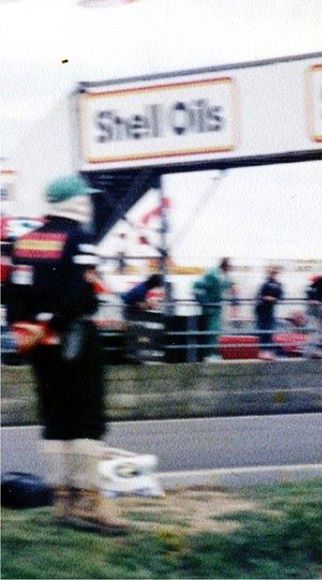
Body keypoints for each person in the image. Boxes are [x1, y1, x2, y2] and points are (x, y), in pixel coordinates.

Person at [6, 175, 128, 534]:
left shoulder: (23, 242)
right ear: (74, 202)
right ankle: (89, 502)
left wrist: (29, 330)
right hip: (76, 341)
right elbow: (81, 296)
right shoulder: (80, 238)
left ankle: (62, 502)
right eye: (84, 199)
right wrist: (55, 322)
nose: (88, 204)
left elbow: (11, 295)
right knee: (87, 420)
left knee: (55, 418)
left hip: (39, 347)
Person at [192, 257, 235, 361]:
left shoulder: (222, 275)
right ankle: (208, 354)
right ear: (226, 266)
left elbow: (228, 284)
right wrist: (204, 303)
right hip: (210, 309)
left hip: (216, 308)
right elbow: (196, 287)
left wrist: (232, 288)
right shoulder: (213, 274)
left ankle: (210, 354)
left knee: (215, 331)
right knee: (212, 331)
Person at [120, 273, 164, 363]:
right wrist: (151, 306)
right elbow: (140, 304)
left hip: (128, 311)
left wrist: (148, 304)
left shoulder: (143, 286)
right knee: (136, 333)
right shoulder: (142, 289)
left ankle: (134, 355)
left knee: (136, 333)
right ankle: (133, 356)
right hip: (128, 312)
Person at [254, 266, 284, 360]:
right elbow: (260, 296)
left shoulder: (277, 284)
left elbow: (279, 297)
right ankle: (263, 351)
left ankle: (267, 351)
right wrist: (266, 298)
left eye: (274, 272)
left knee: (268, 330)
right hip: (262, 310)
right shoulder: (265, 284)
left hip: (269, 310)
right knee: (264, 330)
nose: (273, 274)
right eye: (271, 272)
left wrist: (271, 298)